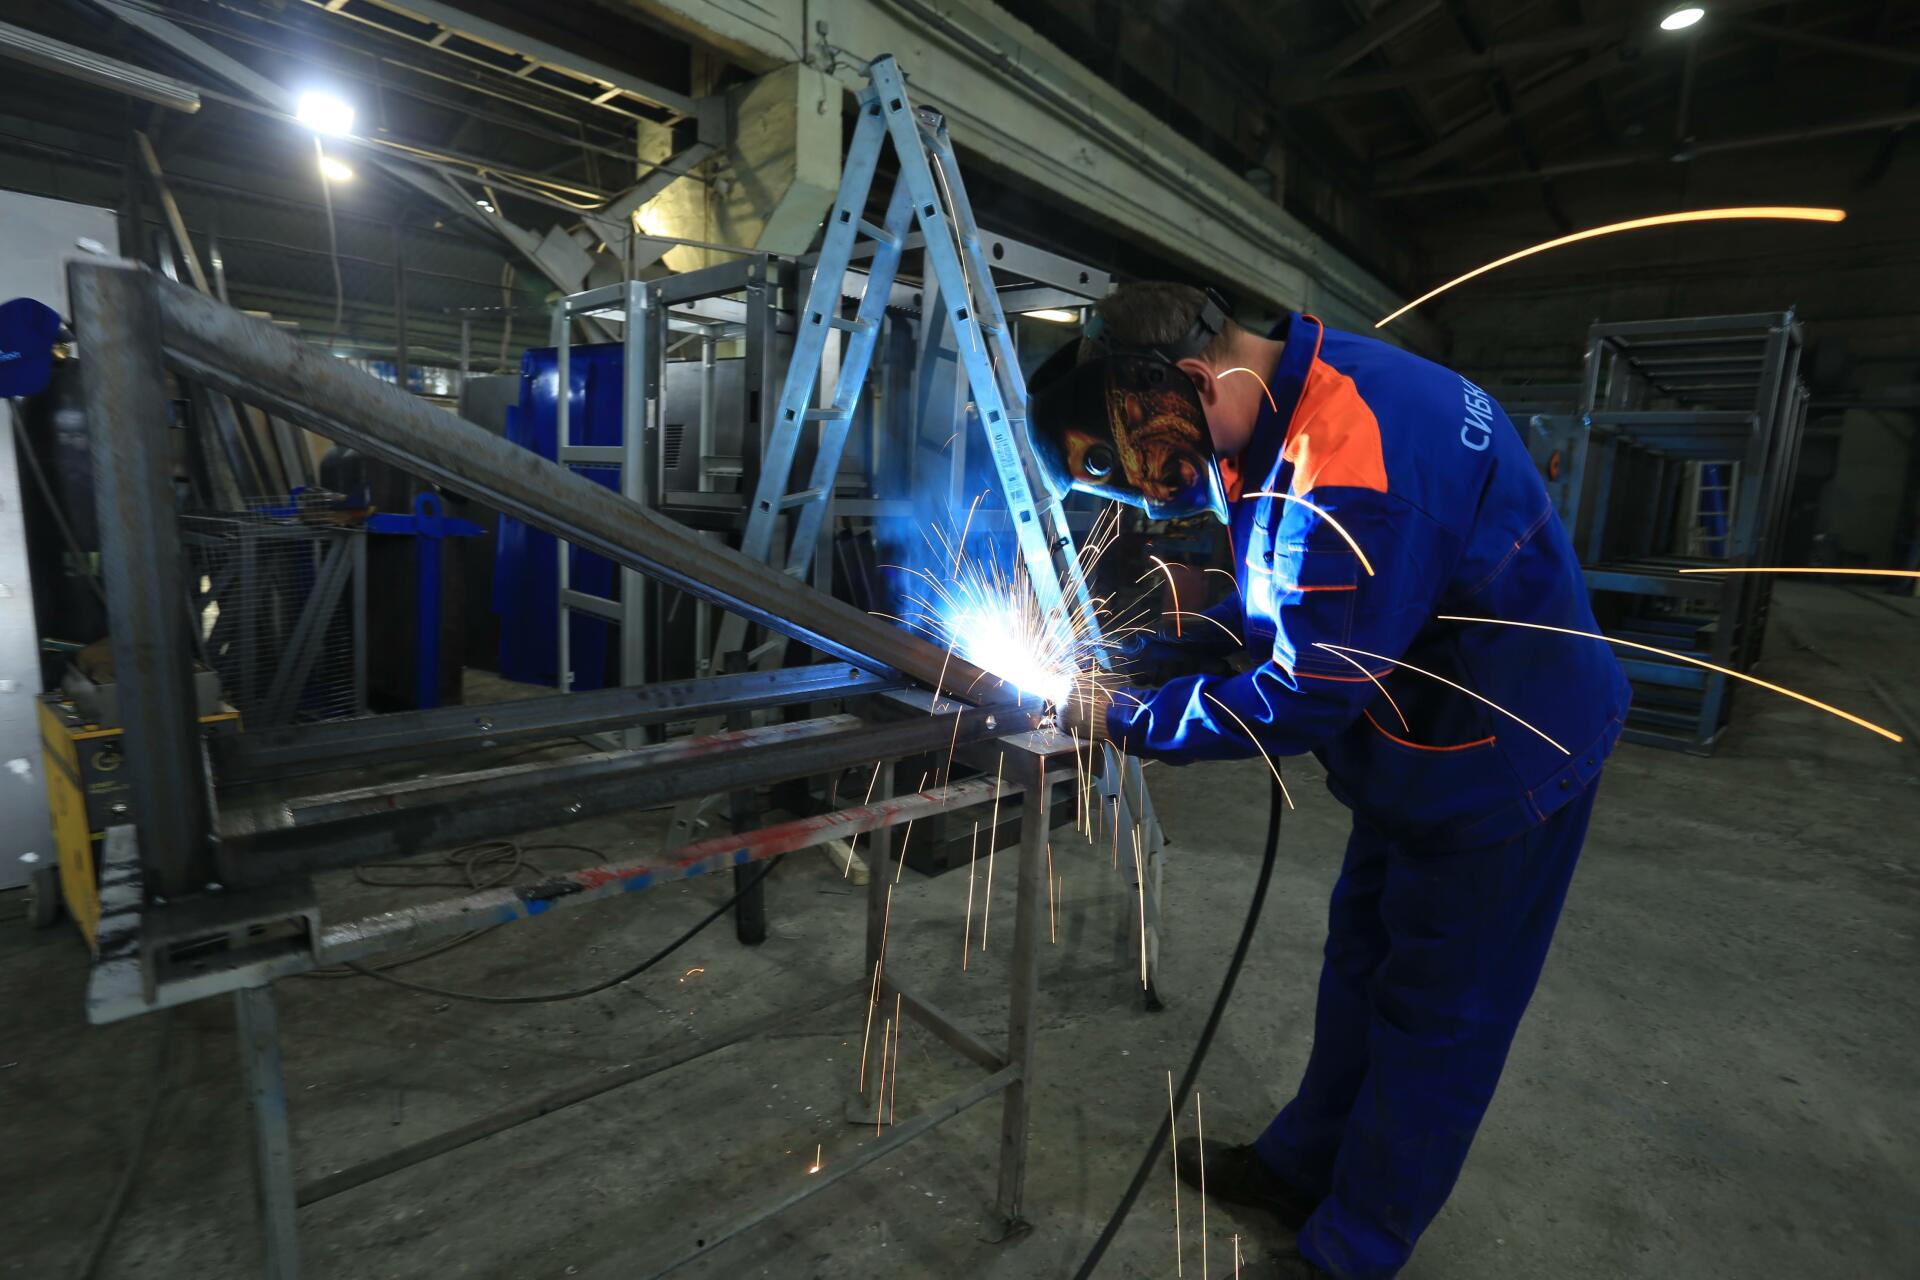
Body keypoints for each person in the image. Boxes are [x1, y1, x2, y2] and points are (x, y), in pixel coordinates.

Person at [1028, 282, 1631, 1280]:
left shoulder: (1356, 467)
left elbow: (1301, 695)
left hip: (1501, 764)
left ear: (1191, 382)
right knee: (1360, 962)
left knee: (1439, 1014)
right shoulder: (1295, 392)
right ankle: (1302, 1165)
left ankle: (1356, 1248)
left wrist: (1131, 717)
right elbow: (1302, 590)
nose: (1163, 496)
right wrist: (1179, 639)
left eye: (1154, 473)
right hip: (1413, 744)